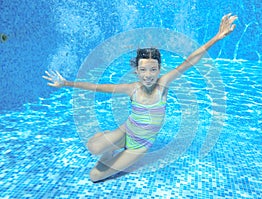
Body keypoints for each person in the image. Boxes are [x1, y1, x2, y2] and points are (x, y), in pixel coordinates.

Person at [43, 13, 237, 182]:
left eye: (153, 69)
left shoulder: (163, 84)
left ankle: (113, 148)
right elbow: (98, 87)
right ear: (136, 71)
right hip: (126, 130)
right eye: (143, 70)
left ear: (160, 70)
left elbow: (190, 60)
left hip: (140, 145)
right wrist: (67, 83)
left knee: (94, 176)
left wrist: (217, 37)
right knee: (93, 147)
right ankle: (109, 144)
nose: (148, 74)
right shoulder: (131, 89)